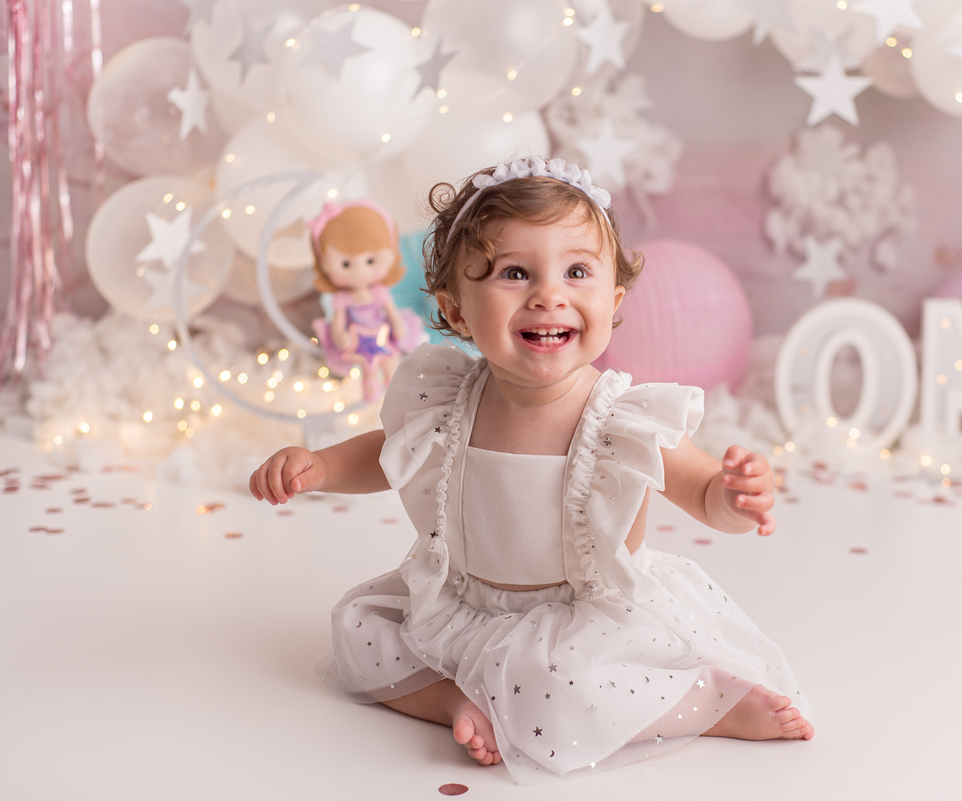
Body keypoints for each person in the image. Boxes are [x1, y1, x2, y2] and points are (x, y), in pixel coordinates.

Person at [249, 156, 813, 784]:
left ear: (613, 300)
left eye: (577, 272)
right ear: (456, 312)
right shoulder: (449, 399)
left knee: (558, 687)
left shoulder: (618, 416)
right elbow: (387, 452)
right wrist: (319, 466)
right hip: (463, 603)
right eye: (515, 273)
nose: (549, 295)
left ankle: (705, 705)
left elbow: (702, 491)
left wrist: (735, 497)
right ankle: (453, 701)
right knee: (358, 627)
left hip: (581, 624)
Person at [309, 199, 427, 402]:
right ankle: (371, 391)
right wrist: (340, 336)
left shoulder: (379, 293)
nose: (360, 270)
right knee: (368, 370)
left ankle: (397, 396)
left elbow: (392, 312)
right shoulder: (342, 299)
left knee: (392, 363)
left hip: (384, 337)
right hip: (358, 344)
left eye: (370, 261)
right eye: (346, 264)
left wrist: (398, 326)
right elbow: (338, 323)